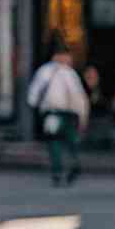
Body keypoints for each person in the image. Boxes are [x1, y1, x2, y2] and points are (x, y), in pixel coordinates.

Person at [28, 49, 90, 187]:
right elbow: (79, 95)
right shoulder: (67, 73)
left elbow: (34, 91)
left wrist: (33, 105)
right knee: (69, 140)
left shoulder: (47, 71)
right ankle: (73, 163)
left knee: (54, 141)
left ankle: (58, 170)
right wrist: (83, 114)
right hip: (66, 113)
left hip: (54, 112)